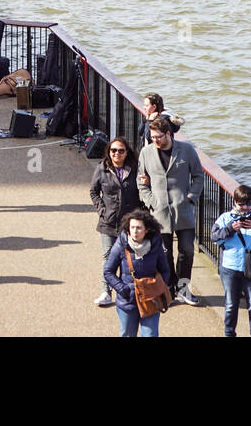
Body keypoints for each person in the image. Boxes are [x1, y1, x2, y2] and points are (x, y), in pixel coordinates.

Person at [137, 115, 203, 305]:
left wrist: (191, 198)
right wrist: (151, 202)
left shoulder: (187, 150)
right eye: (152, 137)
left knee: (187, 251)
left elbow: (198, 176)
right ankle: (168, 288)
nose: (154, 141)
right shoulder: (146, 153)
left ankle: (183, 287)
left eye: (158, 137)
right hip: (159, 212)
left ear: (168, 133)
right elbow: (141, 182)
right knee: (164, 253)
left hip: (183, 210)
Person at [211, 185, 251, 337]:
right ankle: (229, 334)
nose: (245, 208)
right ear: (235, 202)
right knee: (230, 305)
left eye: (248, 204)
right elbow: (214, 237)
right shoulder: (226, 218)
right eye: (241, 204)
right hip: (230, 267)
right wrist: (230, 229)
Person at [103, 208, 172, 338]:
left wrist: (159, 289)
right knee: (127, 334)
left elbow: (165, 270)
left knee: (150, 334)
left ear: (146, 229)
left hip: (151, 299)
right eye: (132, 227)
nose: (135, 231)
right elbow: (108, 272)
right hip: (128, 301)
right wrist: (124, 290)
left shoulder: (156, 244)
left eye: (139, 228)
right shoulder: (121, 244)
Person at [90, 137, 141, 306]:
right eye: (113, 150)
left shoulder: (135, 169)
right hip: (109, 221)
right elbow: (94, 192)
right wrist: (102, 209)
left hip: (129, 222)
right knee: (108, 256)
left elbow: (143, 191)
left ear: (127, 152)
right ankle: (106, 291)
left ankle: (129, 290)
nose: (117, 154)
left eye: (121, 150)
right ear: (109, 152)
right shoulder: (102, 169)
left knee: (130, 256)